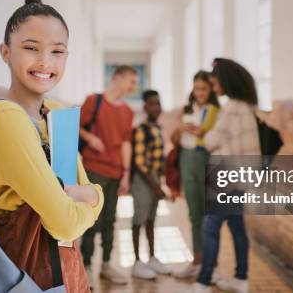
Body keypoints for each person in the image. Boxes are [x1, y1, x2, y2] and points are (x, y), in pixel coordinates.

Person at [0, 0, 104, 292]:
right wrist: (94, 197)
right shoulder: (5, 117)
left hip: (66, 276)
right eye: (31, 48)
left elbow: (79, 202)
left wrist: (89, 196)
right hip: (29, 279)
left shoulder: (56, 114)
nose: (45, 62)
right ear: (5, 52)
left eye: (57, 51)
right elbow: (66, 224)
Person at [193, 58, 260, 293]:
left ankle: (202, 283)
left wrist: (205, 135)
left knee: (210, 226)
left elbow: (211, 141)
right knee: (236, 226)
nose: (214, 85)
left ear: (225, 80)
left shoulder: (231, 108)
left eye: (215, 81)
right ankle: (241, 279)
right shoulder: (245, 105)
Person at [79, 65, 137, 285]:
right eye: (131, 81)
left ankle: (105, 265)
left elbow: (125, 143)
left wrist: (125, 174)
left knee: (110, 219)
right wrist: (91, 138)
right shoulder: (94, 101)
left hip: (115, 172)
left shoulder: (127, 112)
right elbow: (77, 126)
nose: (134, 86)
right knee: (92, 219)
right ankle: (85, 266)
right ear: (118, 78)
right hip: (94, 168)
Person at [171, 71, 220, 279]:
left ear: (210, 90)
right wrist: (180, 127)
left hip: (205, 159)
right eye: (197, 88)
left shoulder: (215, 110)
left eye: (204, 89)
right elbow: (174, 138)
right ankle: (197, 260)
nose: (199, 92)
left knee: (209, 214)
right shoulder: (186, 109)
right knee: (193, 212)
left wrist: (194, 130)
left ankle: (212, 264)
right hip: (186, 158)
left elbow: (206, 134)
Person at [129, 90, 171, 280]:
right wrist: (155, 186)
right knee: (139, 218)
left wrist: (162, 180)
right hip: (144, 179)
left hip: (154, 177)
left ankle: (152, 257)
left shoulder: (157, 128)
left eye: (159, 103)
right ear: (145, 107)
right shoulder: (141, 129)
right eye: (153, 104)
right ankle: (137, 262)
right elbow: (140, 162)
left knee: (151, 219)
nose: (157, 107)